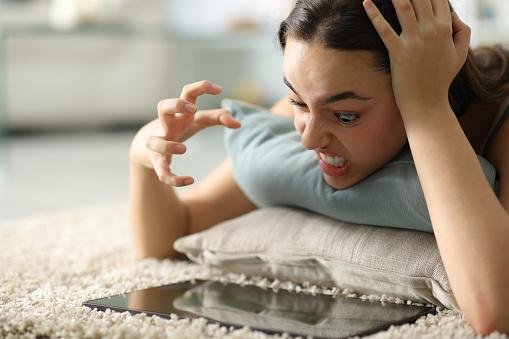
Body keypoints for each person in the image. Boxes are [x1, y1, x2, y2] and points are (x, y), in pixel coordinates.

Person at [128, 0, 509, 335]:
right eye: (297, 102)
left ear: (419, 81)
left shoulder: (500, 123)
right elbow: (174, 237)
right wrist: (142, 158)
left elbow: (496, 312)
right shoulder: (323, 101)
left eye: (345, 115)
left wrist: (427, 108)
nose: (308, 140)